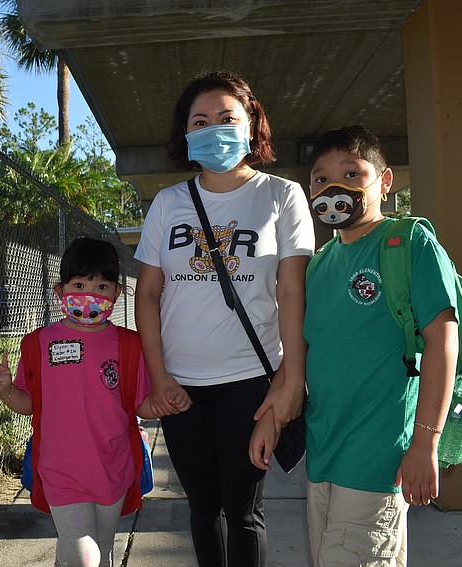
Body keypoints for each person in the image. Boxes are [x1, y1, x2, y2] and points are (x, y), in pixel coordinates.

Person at [134, 70, 314, 566]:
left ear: (252, 123)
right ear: (186, 132)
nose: (213, 128)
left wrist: (290, 379)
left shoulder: (282, 195)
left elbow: (293, 289)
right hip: (181, 388)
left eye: (226, 117)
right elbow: (147, 295)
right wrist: (159, 375)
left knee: (243, 513)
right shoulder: (168, 204)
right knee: (200, 509)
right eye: (201, 119)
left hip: (250, 383)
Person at [286, 125, 457, 566]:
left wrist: (425, 443)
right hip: (323, 453)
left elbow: (442, 339)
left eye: (352, 173)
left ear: (384, 182)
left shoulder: (408, 241)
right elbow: (303, 352)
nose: (333, 187)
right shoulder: (319, 264)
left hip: (376, 457)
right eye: (321, 179)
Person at [0, 237, 185, 567]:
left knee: (102, 553)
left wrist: (163, 405)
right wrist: (6, 388)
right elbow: (26, 403)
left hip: (113, 470)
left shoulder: (131, 345)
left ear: (117, 293)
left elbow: (140, 406)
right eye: (79, 284)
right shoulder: (38, 343)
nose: (90, 296)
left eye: (102, 286)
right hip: (61, 471)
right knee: (86, 558)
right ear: (60, 290)